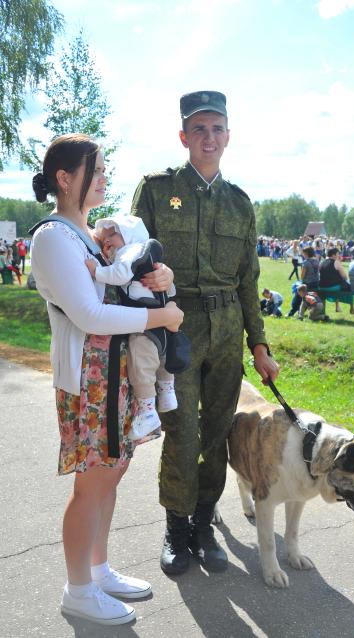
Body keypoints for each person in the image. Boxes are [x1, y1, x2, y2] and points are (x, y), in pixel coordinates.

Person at [30, 133, 184, 626]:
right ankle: (78, 589)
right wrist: (160, 319)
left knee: (111, 474)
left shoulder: (90, 233)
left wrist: (164, 281)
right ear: (65, 178)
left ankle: (97, 569)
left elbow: (130, 279)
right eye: (94, 170)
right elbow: (91, 314)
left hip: (114, 372)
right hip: (88, 377)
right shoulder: (52, 236)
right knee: (92, 483)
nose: (103, 178)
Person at [131, 90, 279, 576]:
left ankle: (203, 526)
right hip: (176, 326)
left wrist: (259, 345)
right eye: (199, 129)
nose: (208, 137)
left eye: (217, 129)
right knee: (183, 430)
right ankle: (176, 527)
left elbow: (248, 279)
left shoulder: (240, 203)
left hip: (226, 330)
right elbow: (130, 259)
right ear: (184, 136)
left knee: (217, 433)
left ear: (228, 136)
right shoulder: (155, 190)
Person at [85, 214, 178, 441]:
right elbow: (171, 290)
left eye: (112, 235)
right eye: (105, 236)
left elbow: (120, 274)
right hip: (161, 314)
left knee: (141, 361)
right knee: (163, 356)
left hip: (145, 320)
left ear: (128, 235)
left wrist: (97, 271)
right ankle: (167, 392)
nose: (107, 240)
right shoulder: (142, 252)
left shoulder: (130, 252)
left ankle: (148, 411)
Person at [319, 247, 354, 315]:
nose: (339, 255)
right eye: (338, 254)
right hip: (332, 287)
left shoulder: (322, 262)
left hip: (321, 286)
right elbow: (345, 277)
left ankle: (337, 307)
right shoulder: (336, 262)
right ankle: (352, 308)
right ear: (333, 255)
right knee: (350, 287)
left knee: (339, 284)